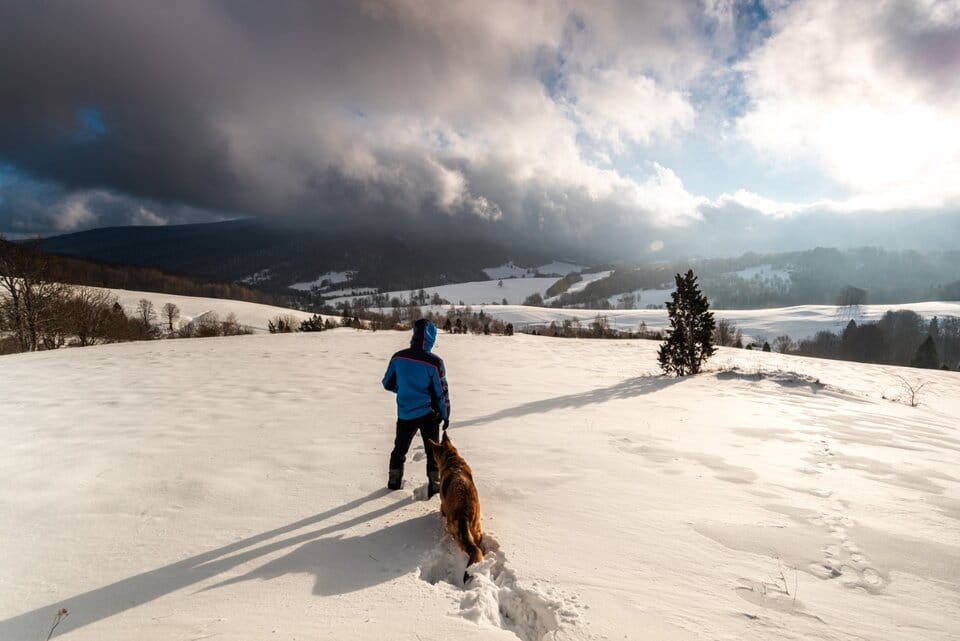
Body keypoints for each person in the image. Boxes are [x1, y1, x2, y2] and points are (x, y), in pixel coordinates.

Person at [382, 318, 450, 496]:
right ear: (431, 338)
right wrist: (445, 414)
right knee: (433, 453)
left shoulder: (398, 357)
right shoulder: (434, 362)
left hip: (405, 413)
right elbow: (441, 392)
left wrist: (404, 391)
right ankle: (435, 489)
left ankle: (393, 483)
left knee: (399, 449)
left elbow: (387, 383)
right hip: (429, 414)